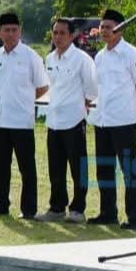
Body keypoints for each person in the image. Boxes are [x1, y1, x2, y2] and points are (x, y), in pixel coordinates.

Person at [0, 12, 50, 220]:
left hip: (22, 122)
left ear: (20, 31)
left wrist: (26, 100)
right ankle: (0, 204)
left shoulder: (31, 56)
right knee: (0, 167)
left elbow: (43, 86)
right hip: (0, 120)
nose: (10, 34)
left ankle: (28, 209)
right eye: (6, 30)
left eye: (14, 30)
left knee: (26, 168)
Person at [89, 8, 136, 230]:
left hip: (123, 122)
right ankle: (107, 212)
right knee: (104, 168)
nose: (104, 31)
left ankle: (135, 217)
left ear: (120, 29)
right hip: (103, 120)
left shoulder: (132, 55)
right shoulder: (100, 56)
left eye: (109, 27)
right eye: (102, 27)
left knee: (130, 169)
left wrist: (132, 108)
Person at [36, 18, 99, 223]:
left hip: (74, 120)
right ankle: (56, 208)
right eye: (55, 33)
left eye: (62, 33)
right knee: (56, 168)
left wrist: (82, 103)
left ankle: (77, 209)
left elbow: (92, 89)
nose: (58, 37)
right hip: (53, 120)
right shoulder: (50, 59)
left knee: (77, 167)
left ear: (72, 35)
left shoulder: (82, 59)